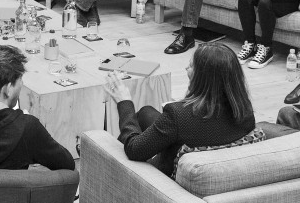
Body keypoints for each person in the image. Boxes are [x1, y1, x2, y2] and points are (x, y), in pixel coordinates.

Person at [103, 43, 257, 176]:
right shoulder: (245, 109)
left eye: (191, 66)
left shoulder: (178, 115)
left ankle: (107, 168)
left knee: (125, 141)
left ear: (202, 78)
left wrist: (124, 102)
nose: (186, 68)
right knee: (146, 113)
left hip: (166, 175)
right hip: (210, 156)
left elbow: (134, 150)